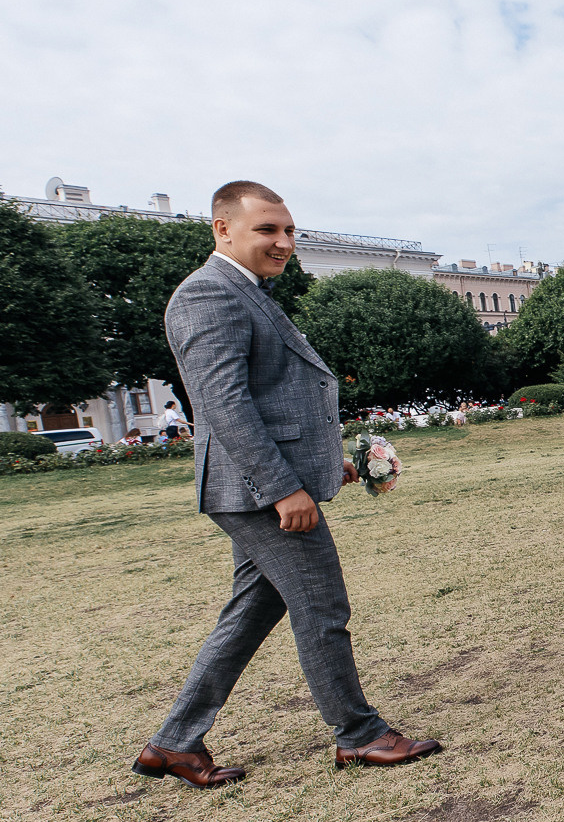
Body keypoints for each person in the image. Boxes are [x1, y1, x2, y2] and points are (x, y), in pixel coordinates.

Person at [131, 180, 440, 790]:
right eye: (267, 229)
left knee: (253, 609)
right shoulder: (208, 294)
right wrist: (282, 489)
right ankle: (359, 735)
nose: (283, 242)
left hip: (263, 484)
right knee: (322, 607)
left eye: (289, 230)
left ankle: (173, 743)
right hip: (256, 492)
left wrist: (324, 466)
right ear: (223, 229)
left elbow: (273, 400)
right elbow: (224, 406)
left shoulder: (246, 290)